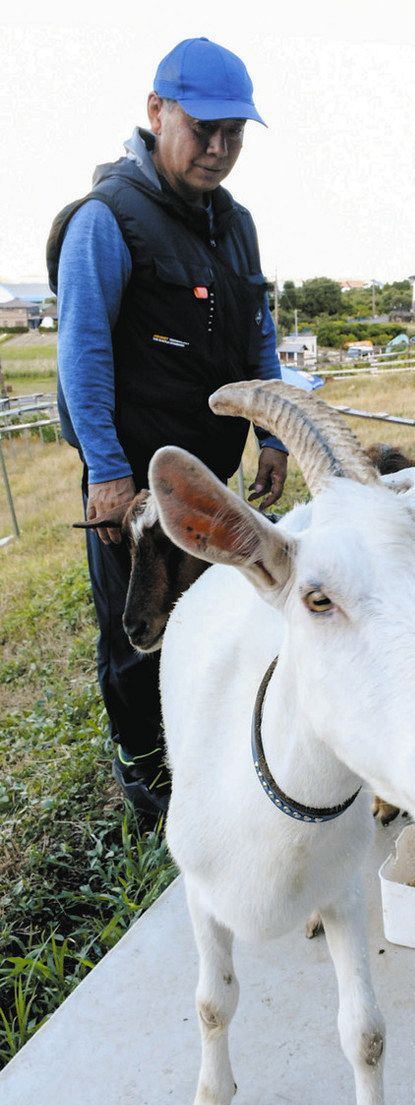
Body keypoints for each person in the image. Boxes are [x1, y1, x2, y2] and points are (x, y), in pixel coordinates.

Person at [46, 37, 288, 818]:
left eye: (234, 135)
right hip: (135, 481)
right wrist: (108, 477)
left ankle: (210, 755)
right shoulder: (107, 219)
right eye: (203, 129)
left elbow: (260, 339)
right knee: (138, 630)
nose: (218, 150)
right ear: (157, 112)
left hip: (212, 476)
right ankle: (147, 780)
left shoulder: (235, 223)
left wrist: (275, 435)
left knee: (217, 615)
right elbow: (81, 356)